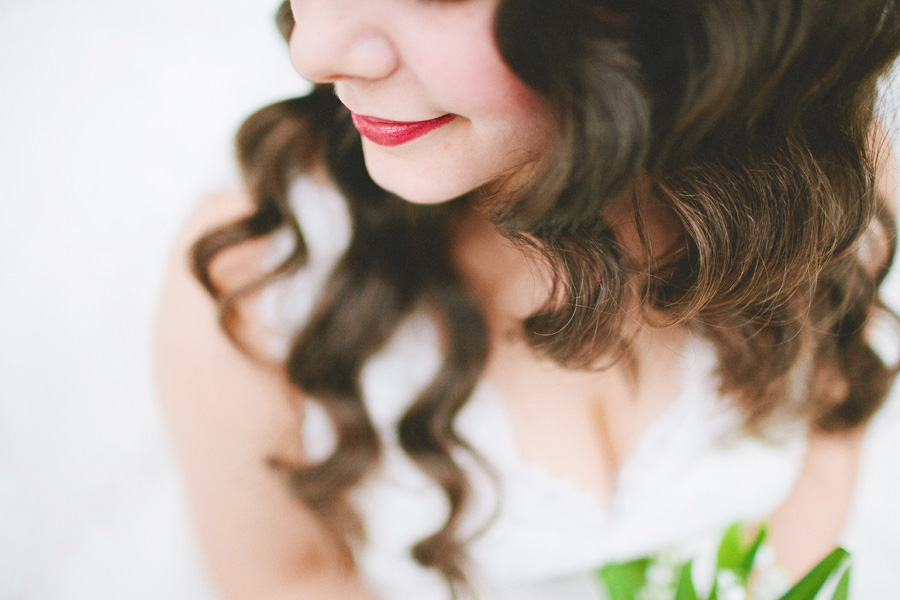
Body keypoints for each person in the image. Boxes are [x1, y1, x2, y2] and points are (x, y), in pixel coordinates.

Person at [155, 0, 900, 598]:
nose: (311, 48)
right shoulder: (253, 284)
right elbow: (285, 578)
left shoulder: (835, 188)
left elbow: (831, 437)